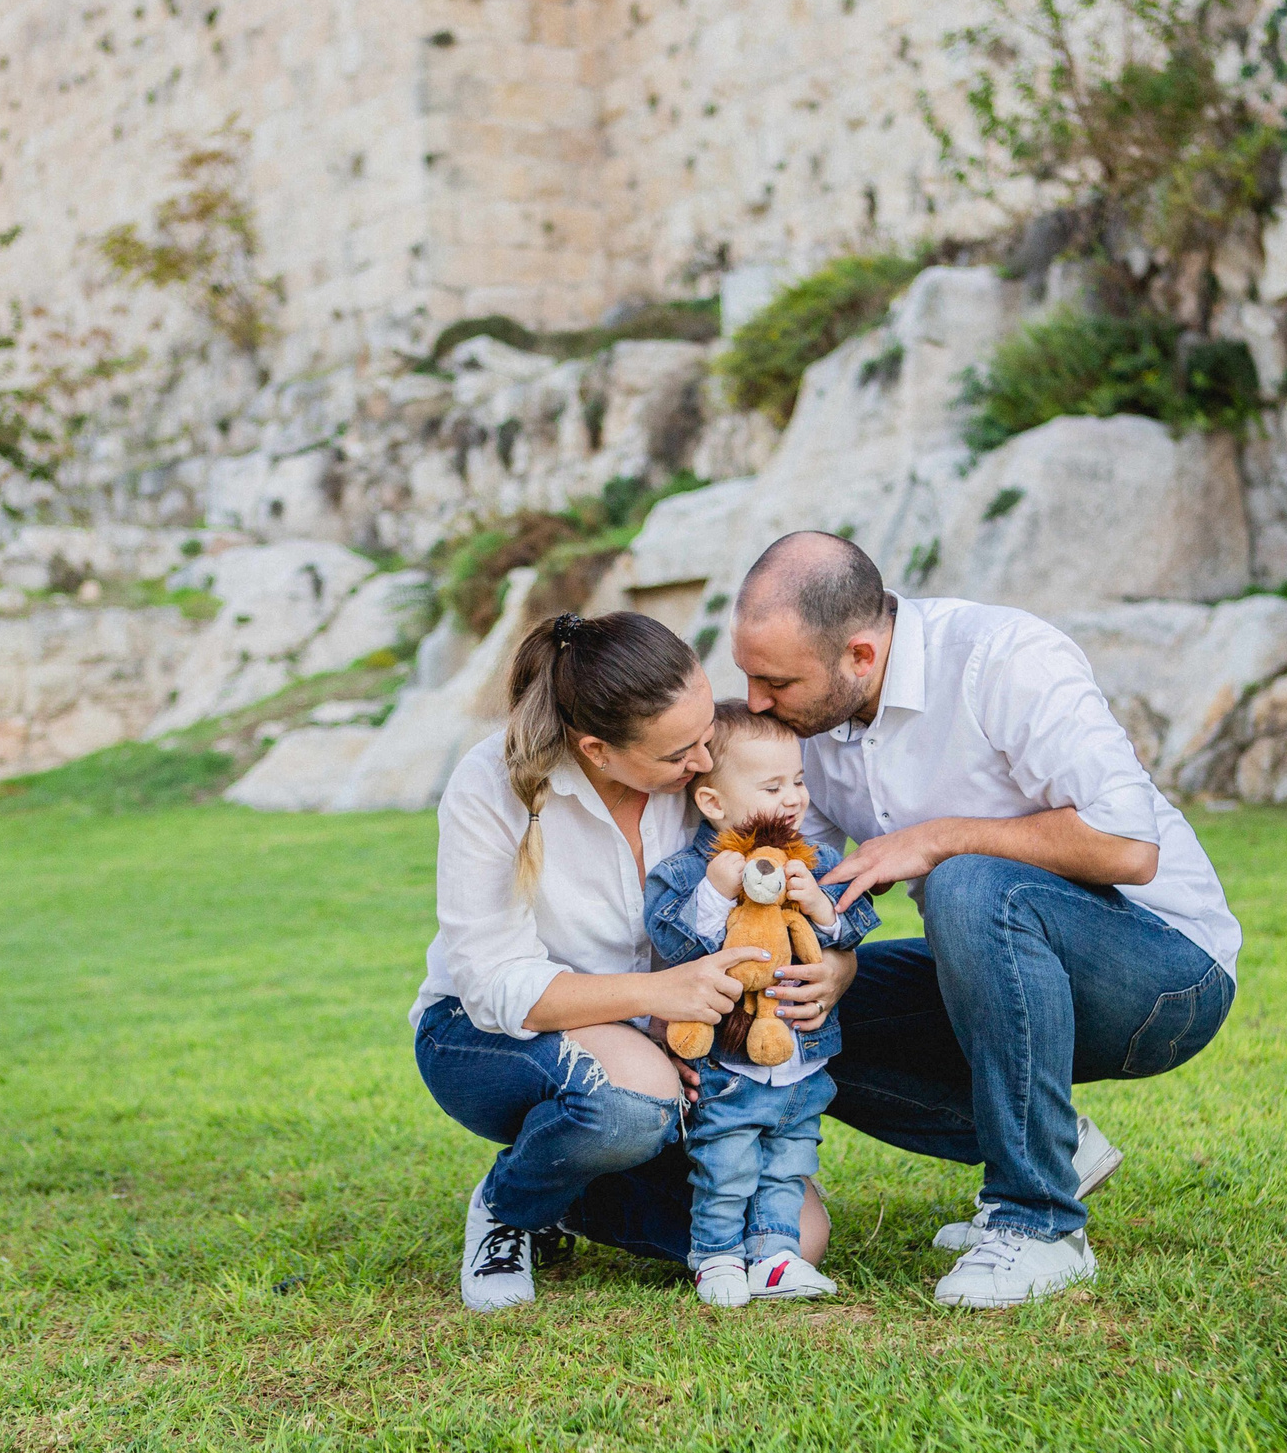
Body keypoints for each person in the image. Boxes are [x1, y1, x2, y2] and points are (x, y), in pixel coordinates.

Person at [729, 533, 1242, 1309]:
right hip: (997, 972)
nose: (757, 702)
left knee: (970, 881)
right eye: (747, 677)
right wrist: (829, 954)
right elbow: (812, 874)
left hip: (1166, 975)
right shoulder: (811, 729)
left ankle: (1039, 1222)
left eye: (774, 681)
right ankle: (1052, 1147)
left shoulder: (1004, 658)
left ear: (859, 656)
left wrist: (937, 838)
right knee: (789, 1005)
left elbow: (1130, 846)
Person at [411, 609, 849, 1312]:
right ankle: (508, 1205)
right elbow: (491, 983)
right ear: (597, 749)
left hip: (664, 1044)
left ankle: (569, 1197)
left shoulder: (702, 783)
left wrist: (838, 968)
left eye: (707, 734)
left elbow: (807, 876)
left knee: (800, 1231)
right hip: (482, 1038)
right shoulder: (492, 783)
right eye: (680, 754)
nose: (705, 762)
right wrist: (655, 999)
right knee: (634, 1099)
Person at [641, 702, 880, 1306]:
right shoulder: (689, 874)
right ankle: (715, 1257)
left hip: (802, 1061)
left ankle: (776, 1257)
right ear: (714, 803)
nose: (794, 798)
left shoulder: (814, 862)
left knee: (788, 1162)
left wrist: (823, 910)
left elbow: (856, 928)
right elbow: (674, 945)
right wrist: (717, 894)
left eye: (798, 781)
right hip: (728, 1063)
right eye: (773, 786)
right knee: (725, 1164)